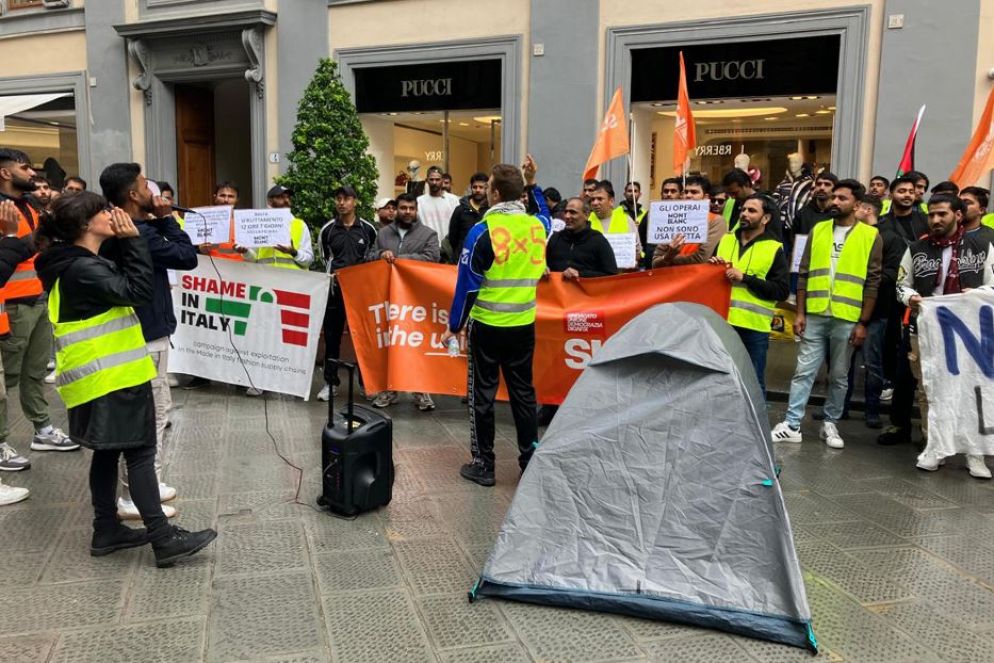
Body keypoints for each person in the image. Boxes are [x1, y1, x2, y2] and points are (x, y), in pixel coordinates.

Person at [34, 192, 217, 564]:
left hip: (96, 377)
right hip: (111, 377)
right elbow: (137, 292)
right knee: (140, 450)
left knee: (107, 453)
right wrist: (133, 239)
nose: (112, 214)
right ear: (86, 225)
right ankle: (163, 539)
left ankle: (106, 530)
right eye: (103, 210)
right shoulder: (82, 268)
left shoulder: (73, 262)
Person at [99, 162, 199, 518]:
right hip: (146, 330)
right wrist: (167, 219)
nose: (152, 192)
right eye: (145, 185)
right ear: (132, 194)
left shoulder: (112, 226)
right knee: (152, 413)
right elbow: (188, 256)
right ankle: (137, 494)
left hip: (135, 329)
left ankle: (146, 486)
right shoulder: (137, 231)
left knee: (156, 407)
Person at [442, 157, 550, 487]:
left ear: (496, 193)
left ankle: (484, 464)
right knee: (523, 394)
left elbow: (466, 286)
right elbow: (545, 213)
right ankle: (530, 459)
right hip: (523, 326)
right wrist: (533, 182)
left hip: (487, 326)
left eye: (488, 186)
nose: (485, 190)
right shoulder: (537, 227)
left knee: (483, 396)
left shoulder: (482, 231)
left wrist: (454, 325)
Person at [771, 179, 882, 449]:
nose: (834, 202)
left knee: (840, 375)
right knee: (803, 371)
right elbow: (804, 273)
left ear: (857, 205)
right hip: (816, 313)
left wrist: (862, 322)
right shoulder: (819, 229)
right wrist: (800, 313)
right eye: (834, 197)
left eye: (842, 198)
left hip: (847, 316)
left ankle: (830, 423)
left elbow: (873, 280)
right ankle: (792, 424)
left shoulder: (870, 236)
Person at [895, 195, 994, 478]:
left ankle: (975, 453)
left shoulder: (982, 246)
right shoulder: (916, 249)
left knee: (974, 389)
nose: (936, 220)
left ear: (958, 215)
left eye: (942, 214)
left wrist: (975, 294)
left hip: (971, 332)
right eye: (931, 215)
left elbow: (993, 286)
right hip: (927, 331)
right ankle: (934, 447)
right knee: (928, 390)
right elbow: (901, 285)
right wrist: (910, 297)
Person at [0, 148, 79, 474]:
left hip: (39, 300)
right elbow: (14, 252)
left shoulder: (30, 204)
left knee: (35, 373)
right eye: (24, 167)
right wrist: (32, 242)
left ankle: (42, 429)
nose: (33, 173)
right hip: (12, 307)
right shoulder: (5, 209)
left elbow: (38, 245)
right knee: (6, 381)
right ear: (5, 173)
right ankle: (2, 441)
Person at [710, 194, 789, 396]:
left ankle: (756, 427)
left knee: (752, 381)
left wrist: (745, 277)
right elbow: (711, 280)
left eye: (752, 210)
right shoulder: (726, 241)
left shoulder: (773, 248)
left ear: (766, 218)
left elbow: (780, 290)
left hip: (754, 327)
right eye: (743, 209)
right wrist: (712, 268)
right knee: (720, 379)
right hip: (723, 323)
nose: (744, 214)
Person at [368, 193, 440, 411]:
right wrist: (381, 254)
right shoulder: (382, 234)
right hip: (388, 297)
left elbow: (432, 258)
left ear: (416, 210)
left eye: (411, 208)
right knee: (391, 344)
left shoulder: (428, 234)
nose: (407, 212)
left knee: (416, 344)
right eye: (403, 208)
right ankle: (390, 390)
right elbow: (369, 256)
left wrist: (401, 260)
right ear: (395, 210)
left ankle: (421, 391)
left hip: (415, 300)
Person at [875, 175, 931, 445]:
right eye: (902, 190)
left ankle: (927, 429)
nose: (907, 195)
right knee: (897, 361)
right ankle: (899, 424)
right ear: (892, 194)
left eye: (911, 191)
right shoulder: (881, 224)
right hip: (889, 296)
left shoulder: (925, 222)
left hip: (920, 300)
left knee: (920, 369)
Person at [316, 185, 377, 402]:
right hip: (335, 292)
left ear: (355, 202)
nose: (342, 203)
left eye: (347, 199)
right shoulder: (328, 230)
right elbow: (324, 259)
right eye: (338, 199)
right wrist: (333, 275)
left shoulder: (368, 229)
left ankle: (367, 384)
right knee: (332, 338)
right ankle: (330, 383)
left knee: (363, 338)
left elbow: (373, 257)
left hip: (361, 294)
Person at [0, 200, 36, 502]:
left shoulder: (29, 207)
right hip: (15, 306)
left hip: (29, 303)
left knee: (28, 374)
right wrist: (12, 238)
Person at [652, 174, 725, 268]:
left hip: (697, 280)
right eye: (686, 192)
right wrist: (667, 257)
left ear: (705, 198)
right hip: (671, 280)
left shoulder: (716, 221)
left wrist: (668, 257)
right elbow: (655, 263)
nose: (688, 195)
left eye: (694, 192)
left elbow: (701, 259)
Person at [546, 197, 618, 279]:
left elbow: (611, 276)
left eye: (573, 212)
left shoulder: (598, 241)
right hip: (557, 291)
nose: (567, 216)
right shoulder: (556, 238)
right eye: (565, 212)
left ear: (586, 215)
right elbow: (545, 265)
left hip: (587, 291)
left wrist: (581, 274)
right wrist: (544, 270)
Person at [588, 181, 641, 269]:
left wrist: (632, 261)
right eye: (592, 200)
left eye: (600, 199)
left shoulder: (626, 220)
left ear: (611, 201)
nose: (595, 203)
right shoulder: (586, 221)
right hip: (595, 276)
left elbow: (637, 251)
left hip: (620, 276)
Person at [446, 172, 489, 265]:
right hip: (461, 260)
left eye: (481, 187)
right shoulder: (460, 210)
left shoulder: (491, 211)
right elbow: (453, 237)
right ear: (471, 188)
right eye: (475, 187)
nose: (477, 190)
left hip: (483, 261)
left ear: (487, 189)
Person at [197, 182, 247, 262]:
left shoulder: (244, 222)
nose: (226, 200)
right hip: (209, 270)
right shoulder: (202, 220)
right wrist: (200, 250)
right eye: (222, 195)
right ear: (215, 197)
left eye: (231, 196)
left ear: (237, 199)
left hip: (239, 270)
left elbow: (254, 255)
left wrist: (246, 251)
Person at [416, 166, 460, 244]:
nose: (434, 182)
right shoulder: (419, 201)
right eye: (431, 179)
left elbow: (459, 224)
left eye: (437, 179)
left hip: (448, 247)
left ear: (442, 180)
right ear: (426, 180)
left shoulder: (453, 200)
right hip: (427, 247)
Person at [791, 171, 838, 237]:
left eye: (827, 184)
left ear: (835, 189)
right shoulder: (802, 214)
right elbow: (797, 243)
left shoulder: (838, 214)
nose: (822, 188)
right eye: (819, 184)